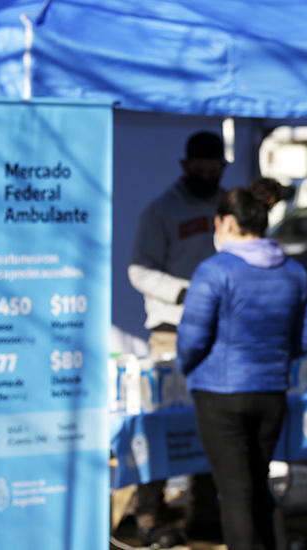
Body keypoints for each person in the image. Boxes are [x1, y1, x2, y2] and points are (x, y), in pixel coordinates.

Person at [177, 186, 307, 550]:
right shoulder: (295, 272)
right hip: (270, 391)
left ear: (226, 222)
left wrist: (187, 368)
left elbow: (192, 339)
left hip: (219, 394)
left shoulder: (213, 270)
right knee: (258, 485)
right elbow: (306, 339)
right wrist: (273, 359)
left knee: (235, 492)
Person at [127, 130, 227, 547]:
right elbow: (139, 270)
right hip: (171, 331)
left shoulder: (228, 206)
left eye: (213, 171)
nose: (205, 177)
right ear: (184, 166)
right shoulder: (161, 212)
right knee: (165, 425)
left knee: (213, 424)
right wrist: (184, 292)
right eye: (198, 171)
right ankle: (150, 512)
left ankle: (204, 512)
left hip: (221, 331)